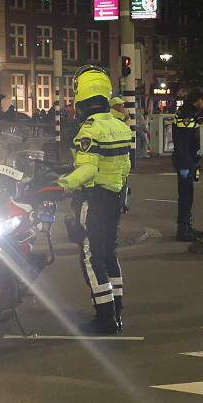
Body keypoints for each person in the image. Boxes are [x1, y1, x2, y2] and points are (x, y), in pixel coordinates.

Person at [56, 67, 133, 335]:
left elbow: (88, 170)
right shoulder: (120, 126)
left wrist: (62, 184)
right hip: (115, 198)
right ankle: (116, 308)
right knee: (109, 253)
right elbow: (125, 167)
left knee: (90, 257)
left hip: (94, 200)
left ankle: (105, 318)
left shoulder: (89, 130)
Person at [171, 89, 203, 241]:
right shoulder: (186, 115)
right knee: (185, 195)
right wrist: (185, 164)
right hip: (185, 160)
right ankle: (182, 228)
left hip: (189, 159)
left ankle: (187, 225)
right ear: (198, 99)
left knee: (188, 194)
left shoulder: (189, 112)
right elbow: (183, 142)